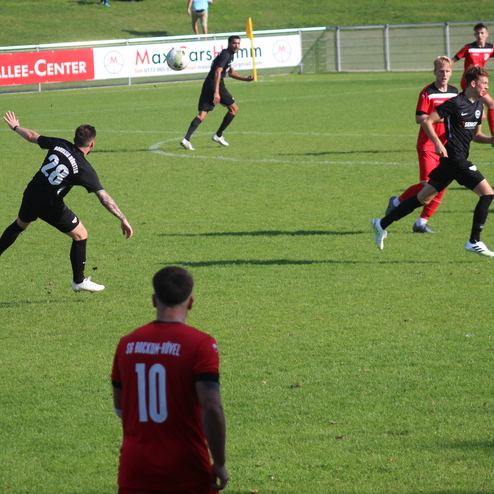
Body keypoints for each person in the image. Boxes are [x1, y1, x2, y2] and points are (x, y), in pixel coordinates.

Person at [111, 266, 229, 494]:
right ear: (191, 302)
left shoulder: (127, 344)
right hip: (186, 469)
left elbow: (120, 408)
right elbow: (212, 408)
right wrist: (220, 462)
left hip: (136, 470)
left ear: (154, 300)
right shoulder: (200, 344)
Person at [0, 111, 133, 292]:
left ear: (74, 138)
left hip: (31, 193)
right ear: (92, 144)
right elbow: (104, 197)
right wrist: (122, 218)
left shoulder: (60, 144)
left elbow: (32, 136)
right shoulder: (84, 169)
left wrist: (15, 127)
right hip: (49, 204)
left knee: (19, 225)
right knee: (81, 235)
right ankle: (79, 281)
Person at [372, 65, 494, 257]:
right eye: (483, 83)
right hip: (454, 160)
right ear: (472, 83)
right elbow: (427, 121)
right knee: (487, 194)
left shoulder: (478, 105)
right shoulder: (455, 102)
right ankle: (474, 241)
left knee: (423, 198)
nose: (486, 87)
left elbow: (476, 135)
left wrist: (490, 140)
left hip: (451, 162)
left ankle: (381, 224)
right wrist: (438, 143)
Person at [385, 56, 458, 233]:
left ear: (451, 73)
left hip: (447, 144)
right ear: (434, 72)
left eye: (447, 71)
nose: (444, 74)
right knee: (427, 184)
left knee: (442, 184)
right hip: (428, 144)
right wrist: (442, 117)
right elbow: (420, 118)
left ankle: (421, 222)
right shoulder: (428, 92)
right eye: (441, 71)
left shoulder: (454, 92)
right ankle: (396, 201)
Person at [181, 35, 254, 150]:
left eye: (238, 43)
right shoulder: (226, 55)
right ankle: (218, 135)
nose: (236, 46)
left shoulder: (228, 55)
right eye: (234, 43)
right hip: (216, 85)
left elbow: (231, 73)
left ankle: (186, 139)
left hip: (208, 84)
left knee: (202, 115)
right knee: (234, 109)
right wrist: (216, 92)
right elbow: (217, 72)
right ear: (229, 44)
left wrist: (245, 79)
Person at [452, 23, 494, 136]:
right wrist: (446, 70)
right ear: (474, 34)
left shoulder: (490, 48)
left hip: (480, 82)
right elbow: (453, 60)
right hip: (470, 82)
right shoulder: (468, 48)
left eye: (482, 33)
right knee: (491, 103)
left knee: (481, 115)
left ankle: (466, 132)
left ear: (487, 34)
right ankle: (493, 136)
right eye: (478, 33)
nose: (480, 35)